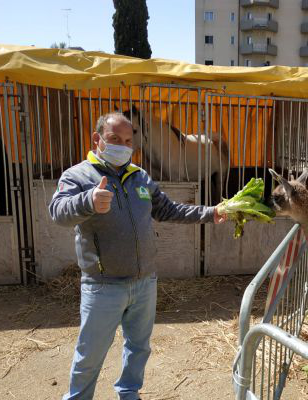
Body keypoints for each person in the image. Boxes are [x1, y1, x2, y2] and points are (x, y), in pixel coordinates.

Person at [49, 112, 225, 400]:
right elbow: (57, 212)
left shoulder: (139, 176)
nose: (123, 145)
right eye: (115, 139)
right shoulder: (78, 176)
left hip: (144, 282)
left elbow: (169, 210)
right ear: (97, 139)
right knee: (90, 353)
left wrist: (212, 212)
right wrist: (87, 201)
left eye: (128, 140)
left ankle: (129, 392)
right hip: (103, 285)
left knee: (139, 347)